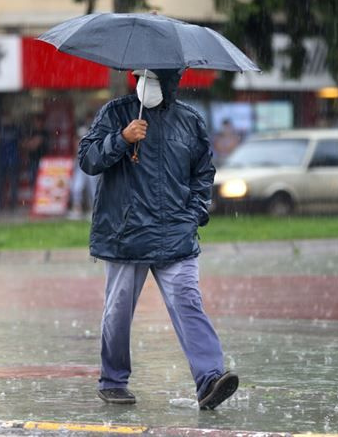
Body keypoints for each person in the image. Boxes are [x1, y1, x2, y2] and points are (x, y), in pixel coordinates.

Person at [78, 68, 239, 410]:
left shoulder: (190, 121)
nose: (145, 85)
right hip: (126, 234)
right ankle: (113, 380)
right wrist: (122, 139)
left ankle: (209, 379)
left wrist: (194, 213)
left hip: (175, 235)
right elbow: (88, 159)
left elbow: (202, 173)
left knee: (188, 302)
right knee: (118, 311)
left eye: (154, 78)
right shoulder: (115, 113)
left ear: (171, 82)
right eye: (141, 77)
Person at [68, 114, 98, 220]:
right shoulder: (81, 130)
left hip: (91, 164)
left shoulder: (95, 131)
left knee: (93, 189)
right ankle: (77, 209)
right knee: (76, 187)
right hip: (80, 164)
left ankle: (94, 211)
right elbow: (76, 147)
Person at [0, 111, 22, 211]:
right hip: (3, 160)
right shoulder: (0, 130)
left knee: (11, 183)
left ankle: (9, 204)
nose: (5, 121)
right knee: (1, 183)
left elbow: (20, 143)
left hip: (11, 160)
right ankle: (0, 204)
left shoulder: (14, 129)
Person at [24, 115, 49, 189]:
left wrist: (30, 143)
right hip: (31, 159)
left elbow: (33, 145)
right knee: (32, 180)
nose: (36, 123)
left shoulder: (44, 133)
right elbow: (24, 144)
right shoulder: (31, 132)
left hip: (42, 160)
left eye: (37, 121)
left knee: (42, 181)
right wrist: (30, 143)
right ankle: (34, 196)